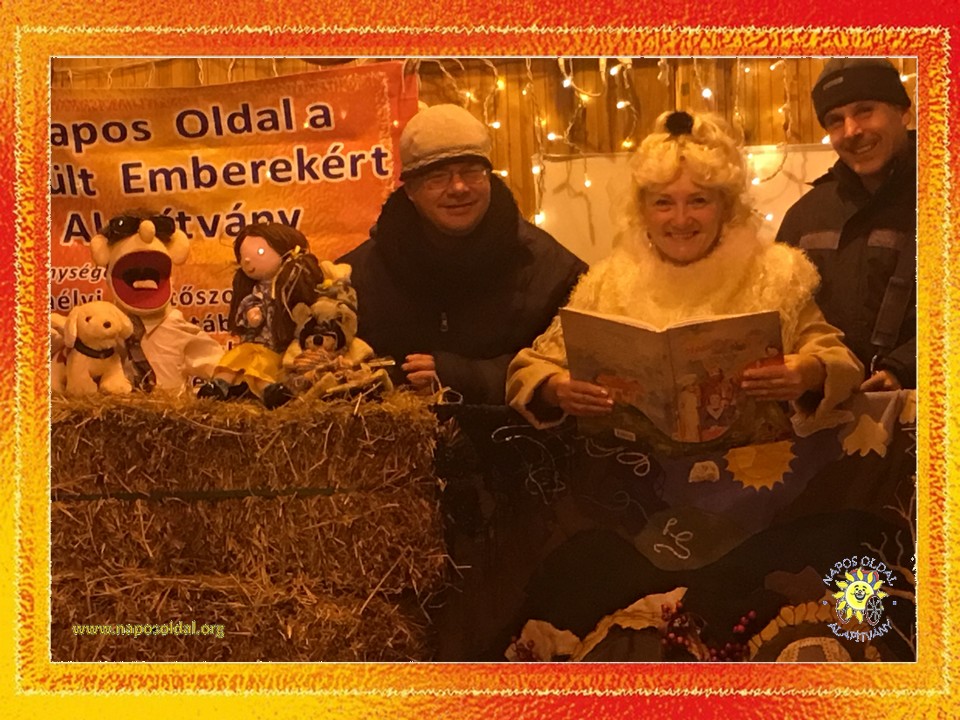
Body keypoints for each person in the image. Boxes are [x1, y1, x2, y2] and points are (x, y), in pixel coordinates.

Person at [507, 110, 863, 431]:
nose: (680, 220)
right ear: (642, 211)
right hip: (634, 474)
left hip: (752, 474)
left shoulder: (777, 276)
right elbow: (530, 368)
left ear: (725, 207)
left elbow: (840, 360)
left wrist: (808, 372)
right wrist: (557, 388)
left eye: (698, 200)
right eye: (663, 202)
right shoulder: (606, 283)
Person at [338, 103, 587, 405]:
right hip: (394, 432)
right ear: (411, 190)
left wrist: (463, 376)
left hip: (507, 432)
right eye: (438, 177)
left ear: (489, 178)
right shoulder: (357, 275)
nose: (458, 187)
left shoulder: (548, 266)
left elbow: (567, 363)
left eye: (472, 172)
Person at [776, 58, 916, 391]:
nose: (851, 131)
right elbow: (782, 318)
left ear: (903, 112)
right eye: (835, 120)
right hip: (825, 413)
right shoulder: (804, 216)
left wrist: (904, 370)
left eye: (865, 111)